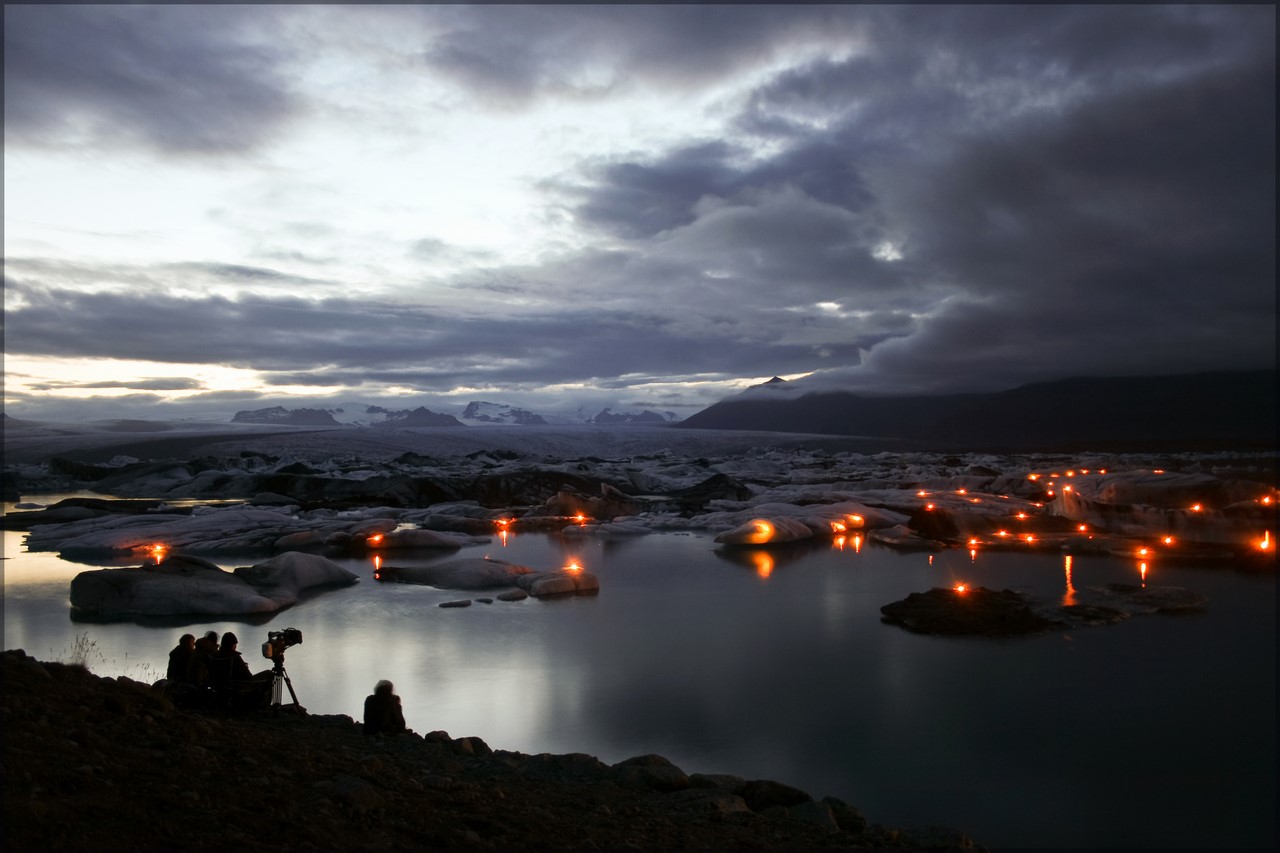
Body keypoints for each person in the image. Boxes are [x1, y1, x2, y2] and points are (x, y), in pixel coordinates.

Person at [206, 632, 272, 711]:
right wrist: (244, 667)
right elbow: (248, 678)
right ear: (233, 645)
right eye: (235, 645)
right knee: (269, 674)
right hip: (235, 687)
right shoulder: (234, 657)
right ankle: (264, 705)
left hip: (217, 686)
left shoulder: (213, 655)